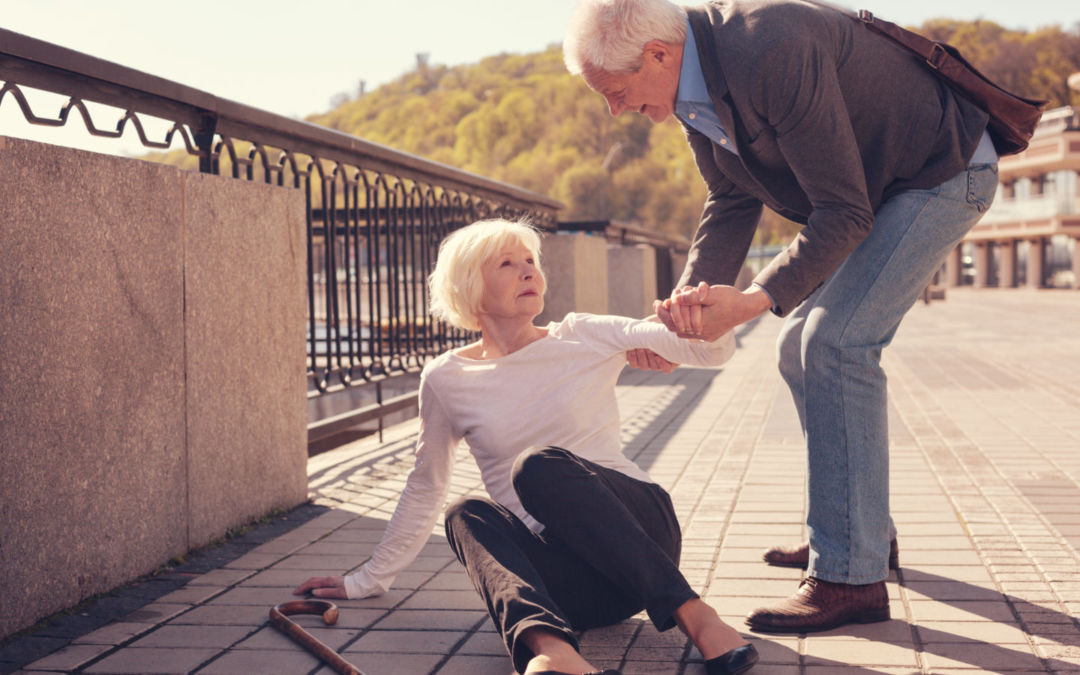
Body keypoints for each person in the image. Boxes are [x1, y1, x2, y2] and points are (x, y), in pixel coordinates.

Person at [563, 0, 998, 633]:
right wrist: (679, 320)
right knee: (798, 346)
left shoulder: (768, 48)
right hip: (884, 186)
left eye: (617, 91)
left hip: (942, 172)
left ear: (657, 56)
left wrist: (754, 299)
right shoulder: (693, 81)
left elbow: (844, 211)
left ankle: (851, 577)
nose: (616, 109)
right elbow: (731, 196)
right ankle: (860, 529)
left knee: (834, 344)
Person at [294, 219, 759, 675]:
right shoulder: (444, 378)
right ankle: (550, 650)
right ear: (469, 288)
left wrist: (700, 316)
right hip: (583, 591)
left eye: (531, 261)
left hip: (643, 540)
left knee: (537, 466)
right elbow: (425, 483)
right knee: (464, 512)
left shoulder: (583, 333)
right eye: (506, 263)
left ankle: (697, 616)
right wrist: (368, 579)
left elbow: (708, 353)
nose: (528, 271)